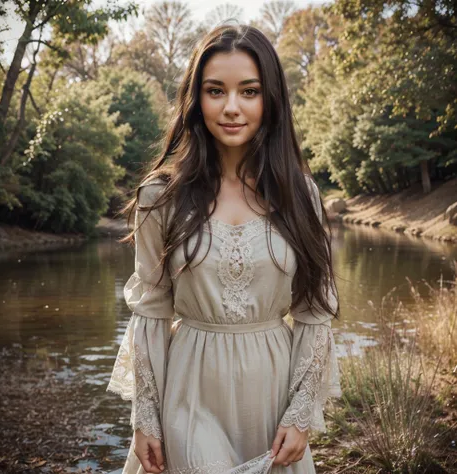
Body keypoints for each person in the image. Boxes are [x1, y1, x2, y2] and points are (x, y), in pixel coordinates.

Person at [107, 24, 342, 474]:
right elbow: (151, 314)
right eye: (216, 91)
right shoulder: (161, 196)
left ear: (269, 99)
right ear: (196, 100)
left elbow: (314, 313)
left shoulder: (301, 195)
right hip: (190, 386)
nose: (231, 107)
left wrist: (301, 414)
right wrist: (145, 416)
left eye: (249, 91)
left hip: (271, 396)